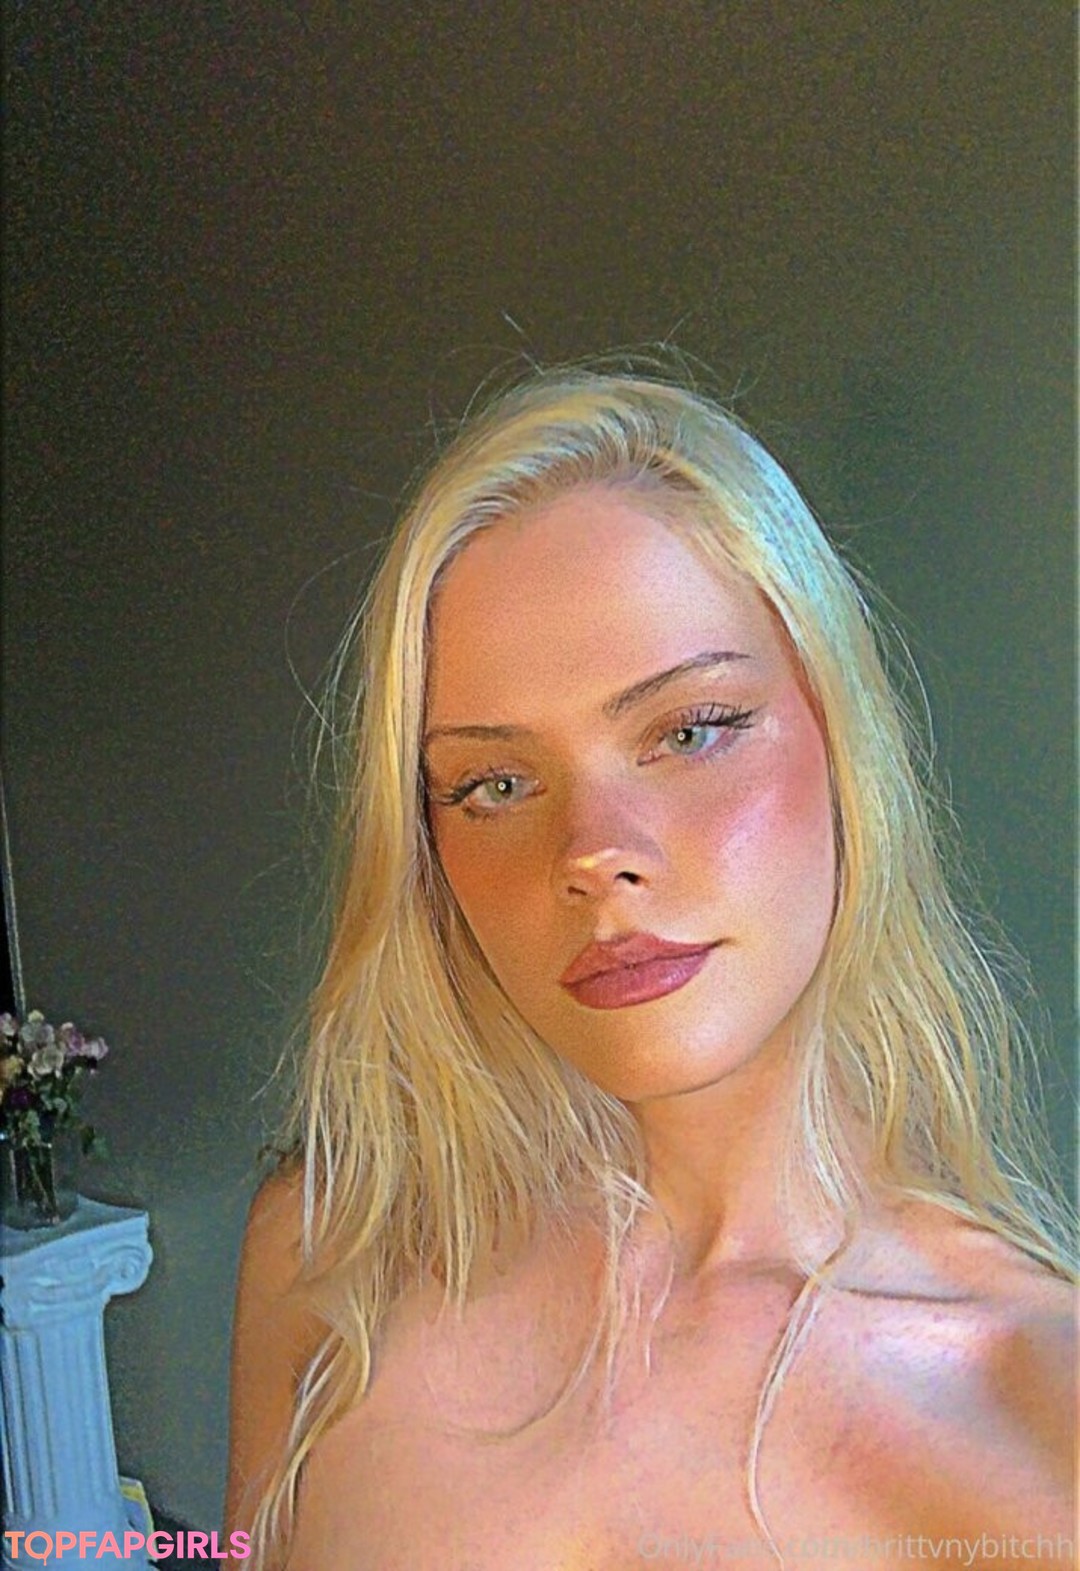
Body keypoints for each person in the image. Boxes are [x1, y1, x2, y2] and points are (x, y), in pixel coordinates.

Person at [222, 363, 1077, 1571]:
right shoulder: (332, 1257)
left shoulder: (1038, 1420)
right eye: (496, 783)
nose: (593, 853)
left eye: (690, 730)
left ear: (844, 739)